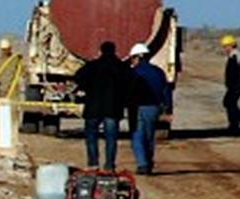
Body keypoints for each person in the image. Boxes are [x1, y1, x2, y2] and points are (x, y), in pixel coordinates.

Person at [73, 41, 131, 171]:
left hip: (93, 107)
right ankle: (109, 165)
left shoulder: (92, 66)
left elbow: (78, 78)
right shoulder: (121, 67)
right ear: (114, 51)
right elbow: (128, 85)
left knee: (91, 136)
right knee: (111, 138)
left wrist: (86, 88)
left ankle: (93, 163)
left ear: (101, 51)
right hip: (112, 108)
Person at [126, 43, 171, 174]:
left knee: (137, 135)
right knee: (149, 135)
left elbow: (127, 91)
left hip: (136, 107)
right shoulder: (159, 72)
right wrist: (168, 109)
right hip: (153, 107)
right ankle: (148, 162)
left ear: (136, 57)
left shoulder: (133, 72)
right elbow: (166, 91)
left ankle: (142, 164)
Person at [221, 34, 240, 132]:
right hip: (236, 84)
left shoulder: (235, 55)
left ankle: (239, 122)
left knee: (229, 103)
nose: (224, 49)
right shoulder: (234, 55)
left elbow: (235, 71)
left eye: (225, 46)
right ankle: (237, 122)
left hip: (238, 84)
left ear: (231, 45)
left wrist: (232, 84)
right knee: (229, 103)